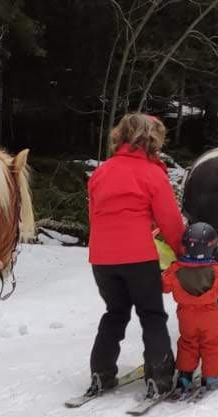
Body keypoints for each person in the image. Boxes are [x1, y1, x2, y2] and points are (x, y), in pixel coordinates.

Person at [85, 112, 187, 400]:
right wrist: (182, 253)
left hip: (102, 259)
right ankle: (160, 377)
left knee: (115, 313)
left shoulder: (101, 172)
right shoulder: (152, 173)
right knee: (152, 314)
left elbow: (94, 216)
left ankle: (101, 373)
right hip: (139, 258)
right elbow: (170, 222)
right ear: (151, 139)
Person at [163, 222, 218, 392]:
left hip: (186, 316)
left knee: (188, 343)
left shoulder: (175, 269)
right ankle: (212, 377)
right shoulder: (216, 271)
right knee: (212, 344)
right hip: (210, 316)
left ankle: (184, 376)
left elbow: (164, 286)